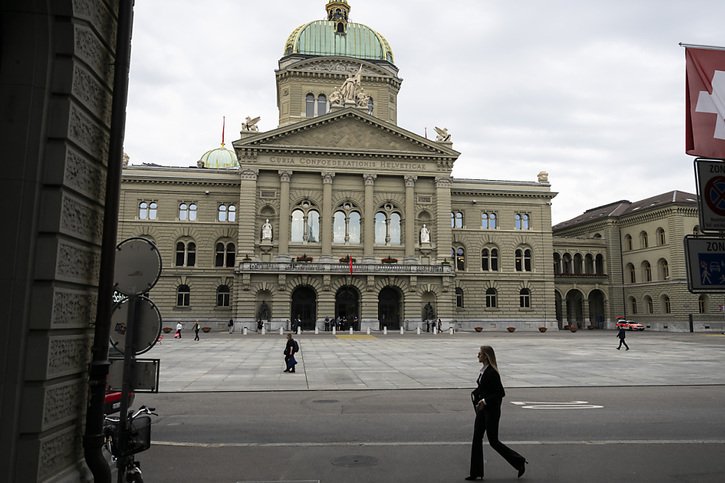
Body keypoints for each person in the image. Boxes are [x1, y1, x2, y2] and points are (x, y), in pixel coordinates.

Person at [467, 345, 527, 480]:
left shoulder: (492, 373)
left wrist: (485, 401)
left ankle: (518, 461)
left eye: (480, 353)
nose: (478, 355)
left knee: (493, 441)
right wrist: (476, 393)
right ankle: (476, 472)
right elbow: (484, 388)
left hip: (491, 411)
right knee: (477, 438)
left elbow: (500, 393)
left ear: (486, 357)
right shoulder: (484, 371)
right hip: (483, 410)